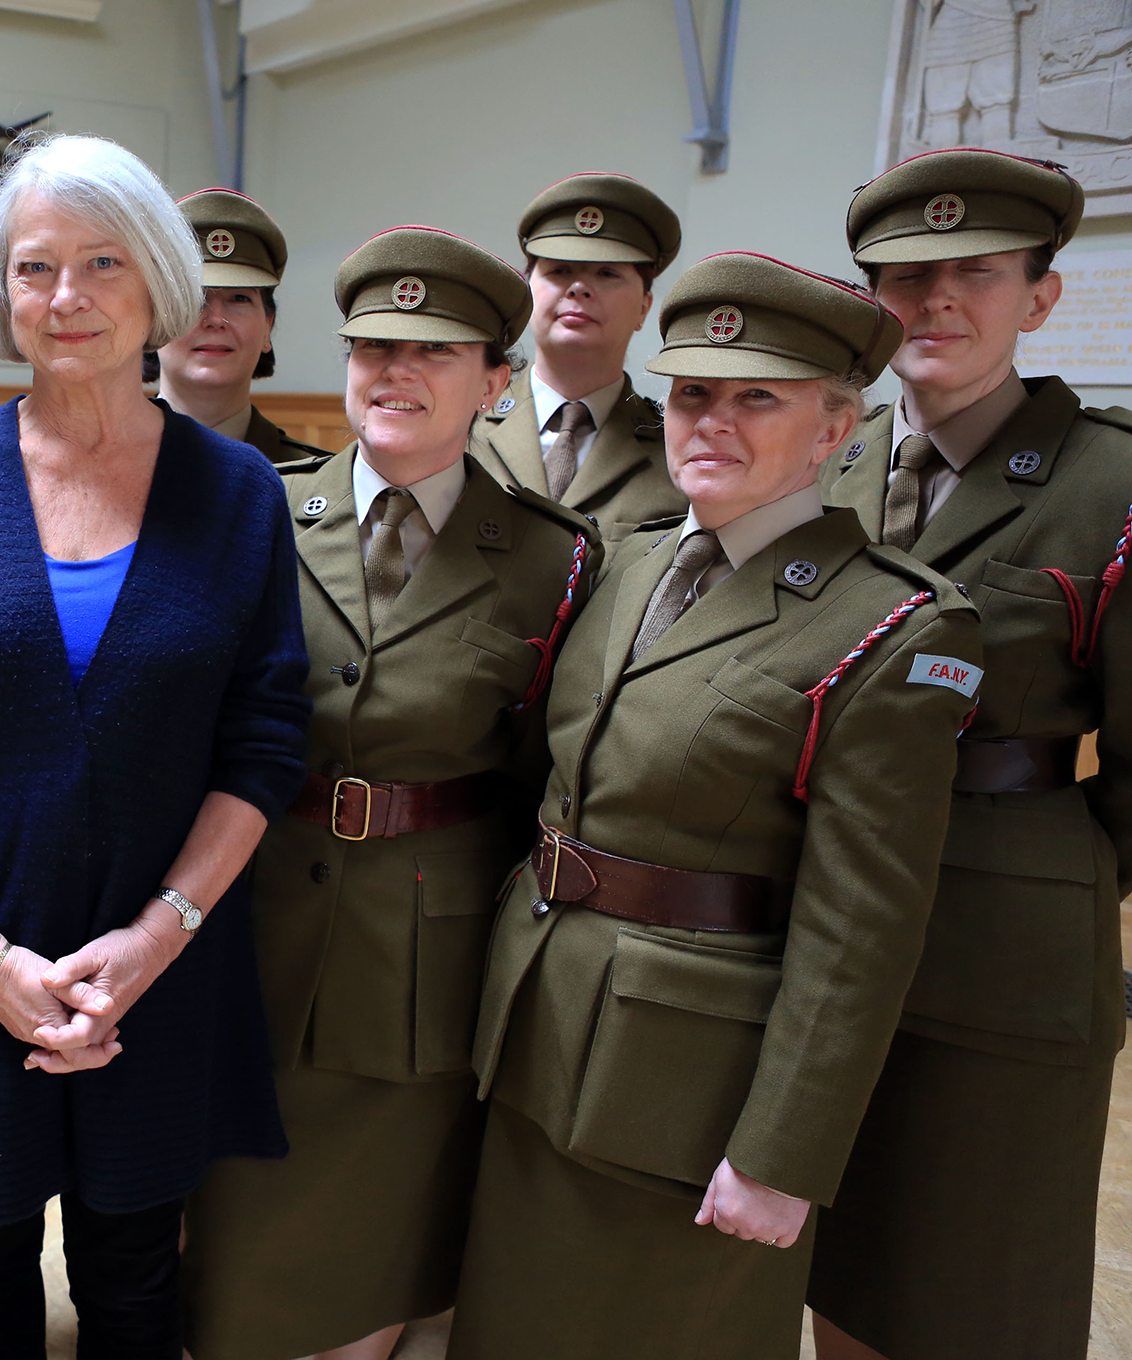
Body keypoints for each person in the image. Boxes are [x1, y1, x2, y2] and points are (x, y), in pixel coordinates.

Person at [447, 252, 983, 1360]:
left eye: (756, 398)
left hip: (688, 1090)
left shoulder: (889, 627)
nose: (712, 421)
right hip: (539, 1026)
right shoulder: (625, 566)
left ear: (834, 428)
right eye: (693, 392)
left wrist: (782, 1151)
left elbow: (860, 930)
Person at [0, 133, 311, 1359]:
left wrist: (156, 938)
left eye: (101, 263)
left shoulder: (239, 492)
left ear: (156, 282)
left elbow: (262, 742)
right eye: (34, 267)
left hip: (157, 966)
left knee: (134, 1277)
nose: (66, 297)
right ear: (2, 295)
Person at [179, 227, 602, 1360]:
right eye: (372, 346)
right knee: (225, 1228)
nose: (394, 372)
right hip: (247, 916)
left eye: (434, 350)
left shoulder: (552, 560)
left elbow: (541, 777)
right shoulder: (252, 513)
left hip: (425, 942)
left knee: (375, 1238)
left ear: (495, 381)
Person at [808, 148, 1131, 1360]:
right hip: (821, 929)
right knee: (837, 1267)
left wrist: (1053, 865)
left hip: (1003, 948)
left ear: (1037, 299)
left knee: (976, 1287)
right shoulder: (819, 467)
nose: (934, 299)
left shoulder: (1112, 483)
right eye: (904, 274)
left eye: (975, 272)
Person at [474, 172, 685, 537]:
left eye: (606, 273)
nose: (579, 288)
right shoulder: (461, 424)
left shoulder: (678, 448)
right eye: (560, 270)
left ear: (643, 308)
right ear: (527, 293)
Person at [152, 187, 324, 463]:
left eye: (239, 298)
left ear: (268, 327)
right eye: (196, 299)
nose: (216, 319)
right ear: (153, 322)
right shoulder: (95, 464)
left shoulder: (308, 483)